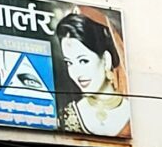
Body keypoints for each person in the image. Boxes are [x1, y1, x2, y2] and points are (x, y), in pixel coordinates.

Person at [55, 11, 131, 139]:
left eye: (83, 61)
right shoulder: (67, 118)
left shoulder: (134, 112)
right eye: (69, 63)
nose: (76, 73)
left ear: (106, 59)